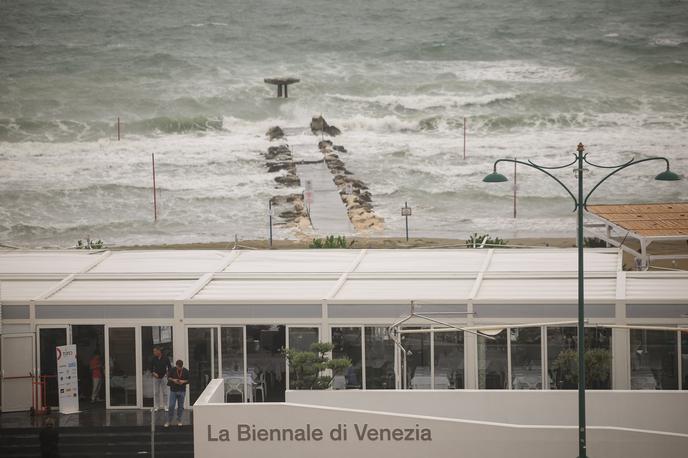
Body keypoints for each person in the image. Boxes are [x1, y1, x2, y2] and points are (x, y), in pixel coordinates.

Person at [165, 359, 189, 427]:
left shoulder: (185, 371)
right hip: (173, 390)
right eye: (178, 367)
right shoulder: (173, 370)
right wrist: (173, 380)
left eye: (180, 367)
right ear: (176, 365)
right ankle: (169, 420)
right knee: (171, 405)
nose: (179, 368)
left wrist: (183, 381)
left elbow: (189, 380)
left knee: (180, 406)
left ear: (182, 366)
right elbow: (168, 377)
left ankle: (179, 419)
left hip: (182, 390)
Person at [150, 346, 171, 411]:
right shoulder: (153, 358)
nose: (154, 352)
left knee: (165, 392)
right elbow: (150, 367)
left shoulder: (165, 358)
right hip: (156, 377)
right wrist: (153, 373)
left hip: (164, 376)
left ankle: (165, 406)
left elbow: (169, 366)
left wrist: (168, 373)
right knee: (156, 392)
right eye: (154, 351)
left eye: (155, 351)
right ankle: (157, 406)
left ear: (159, 351)